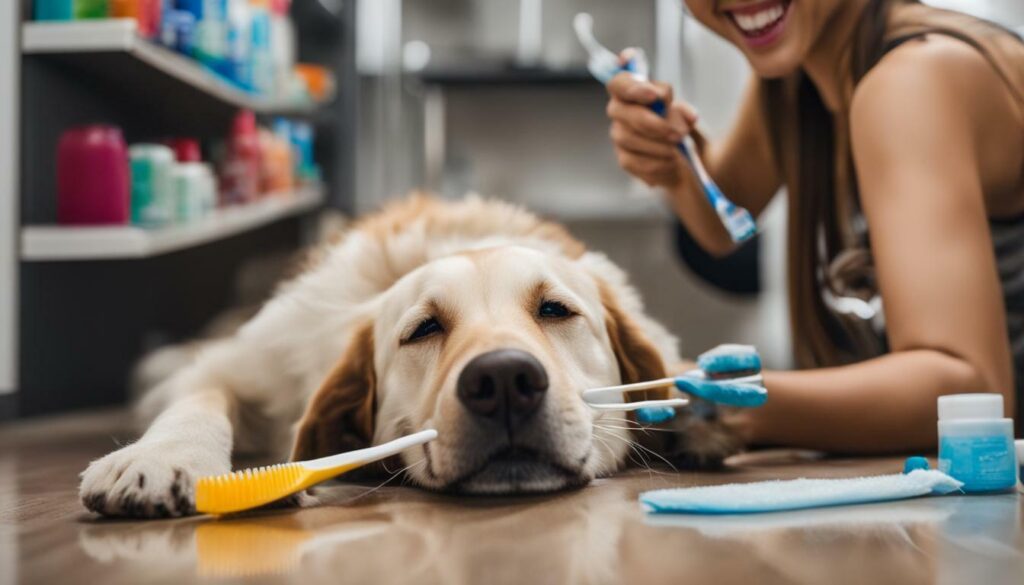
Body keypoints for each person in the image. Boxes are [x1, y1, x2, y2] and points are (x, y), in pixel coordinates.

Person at [606, 0, 1024, 449]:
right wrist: (673, 163)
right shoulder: (806, 69)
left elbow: (970, 391)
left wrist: (729, 405)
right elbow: (727, 221)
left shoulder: (910, 81)